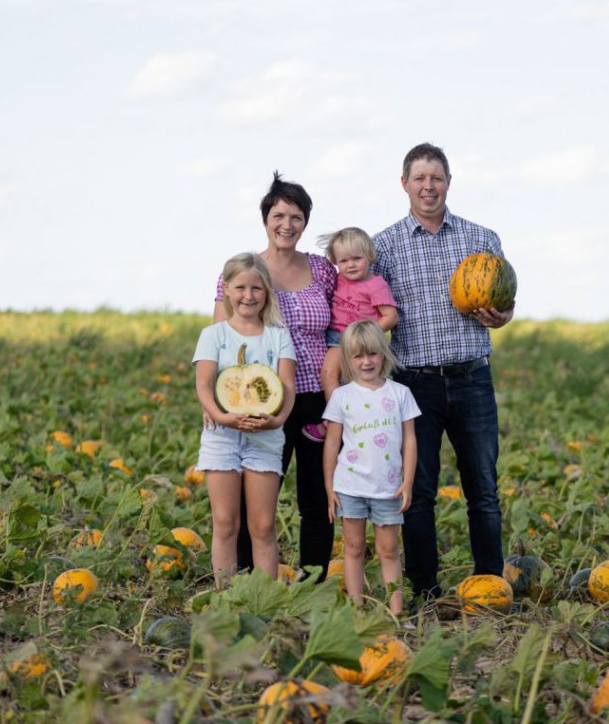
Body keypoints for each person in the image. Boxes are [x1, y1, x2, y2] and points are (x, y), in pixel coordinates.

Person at [372, 142, 514, 602]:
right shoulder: (384, 246)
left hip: (472, 378)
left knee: (483, 489)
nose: (428, 186)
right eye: (419, 178)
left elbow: (504, 305)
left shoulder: (482, 239)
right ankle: (426, 589)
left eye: (436, 178)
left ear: (448, 182)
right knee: (419, 491)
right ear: (404, 185)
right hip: (414, 384)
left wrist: (500, 317)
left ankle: (490, 585)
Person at [212, 173, 335, 580]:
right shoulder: (247, 271)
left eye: (296, 216)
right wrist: (215, 403)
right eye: (279, 214)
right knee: (256, 496)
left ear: (306, 222)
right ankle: (248, 579)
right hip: (260, 398)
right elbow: (222, 339)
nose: (287, 224)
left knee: (316, 495)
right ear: (266, 219)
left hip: (317, 396)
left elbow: (345, 323)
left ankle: (312, 578)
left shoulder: (323, 270)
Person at [194, 253, 296, 586]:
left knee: (263, 526)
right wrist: (222, 416)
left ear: (267, 292)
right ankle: (226, 596)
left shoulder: (278, 335)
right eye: (240, 287)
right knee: (224, 522)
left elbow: (288, 387)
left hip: (265, 437)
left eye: (257, 288)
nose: (248, 296)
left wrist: (276, 420)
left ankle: (263, 600)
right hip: (221, 436)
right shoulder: (214, 335)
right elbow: (204, 385)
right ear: (226, 289)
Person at [322, 320, 420, 615]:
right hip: (350, 486)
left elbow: (410, 440)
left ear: (383, 353)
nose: (366, 362)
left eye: (372, 354)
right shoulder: (342, 396)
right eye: (358, 356)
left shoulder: (400, 394)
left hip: (388, 488)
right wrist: (329, 486)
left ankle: (397, 612)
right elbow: (331, 443)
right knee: (352, 549)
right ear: (348, 359)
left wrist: (408, 482)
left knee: (389, 550)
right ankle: (357, 610)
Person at [302, 227, 398, 443]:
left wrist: (365, 336)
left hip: (360, 342)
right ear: (335, 261)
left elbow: (390, 316)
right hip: (336, 337)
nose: (351, 265)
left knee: (351, 380)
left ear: (370, 257)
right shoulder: (338, 279)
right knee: (333, 377)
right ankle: (339, 420)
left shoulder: (376, 284)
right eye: (344, 260)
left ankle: (341, 422)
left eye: (357, 258)